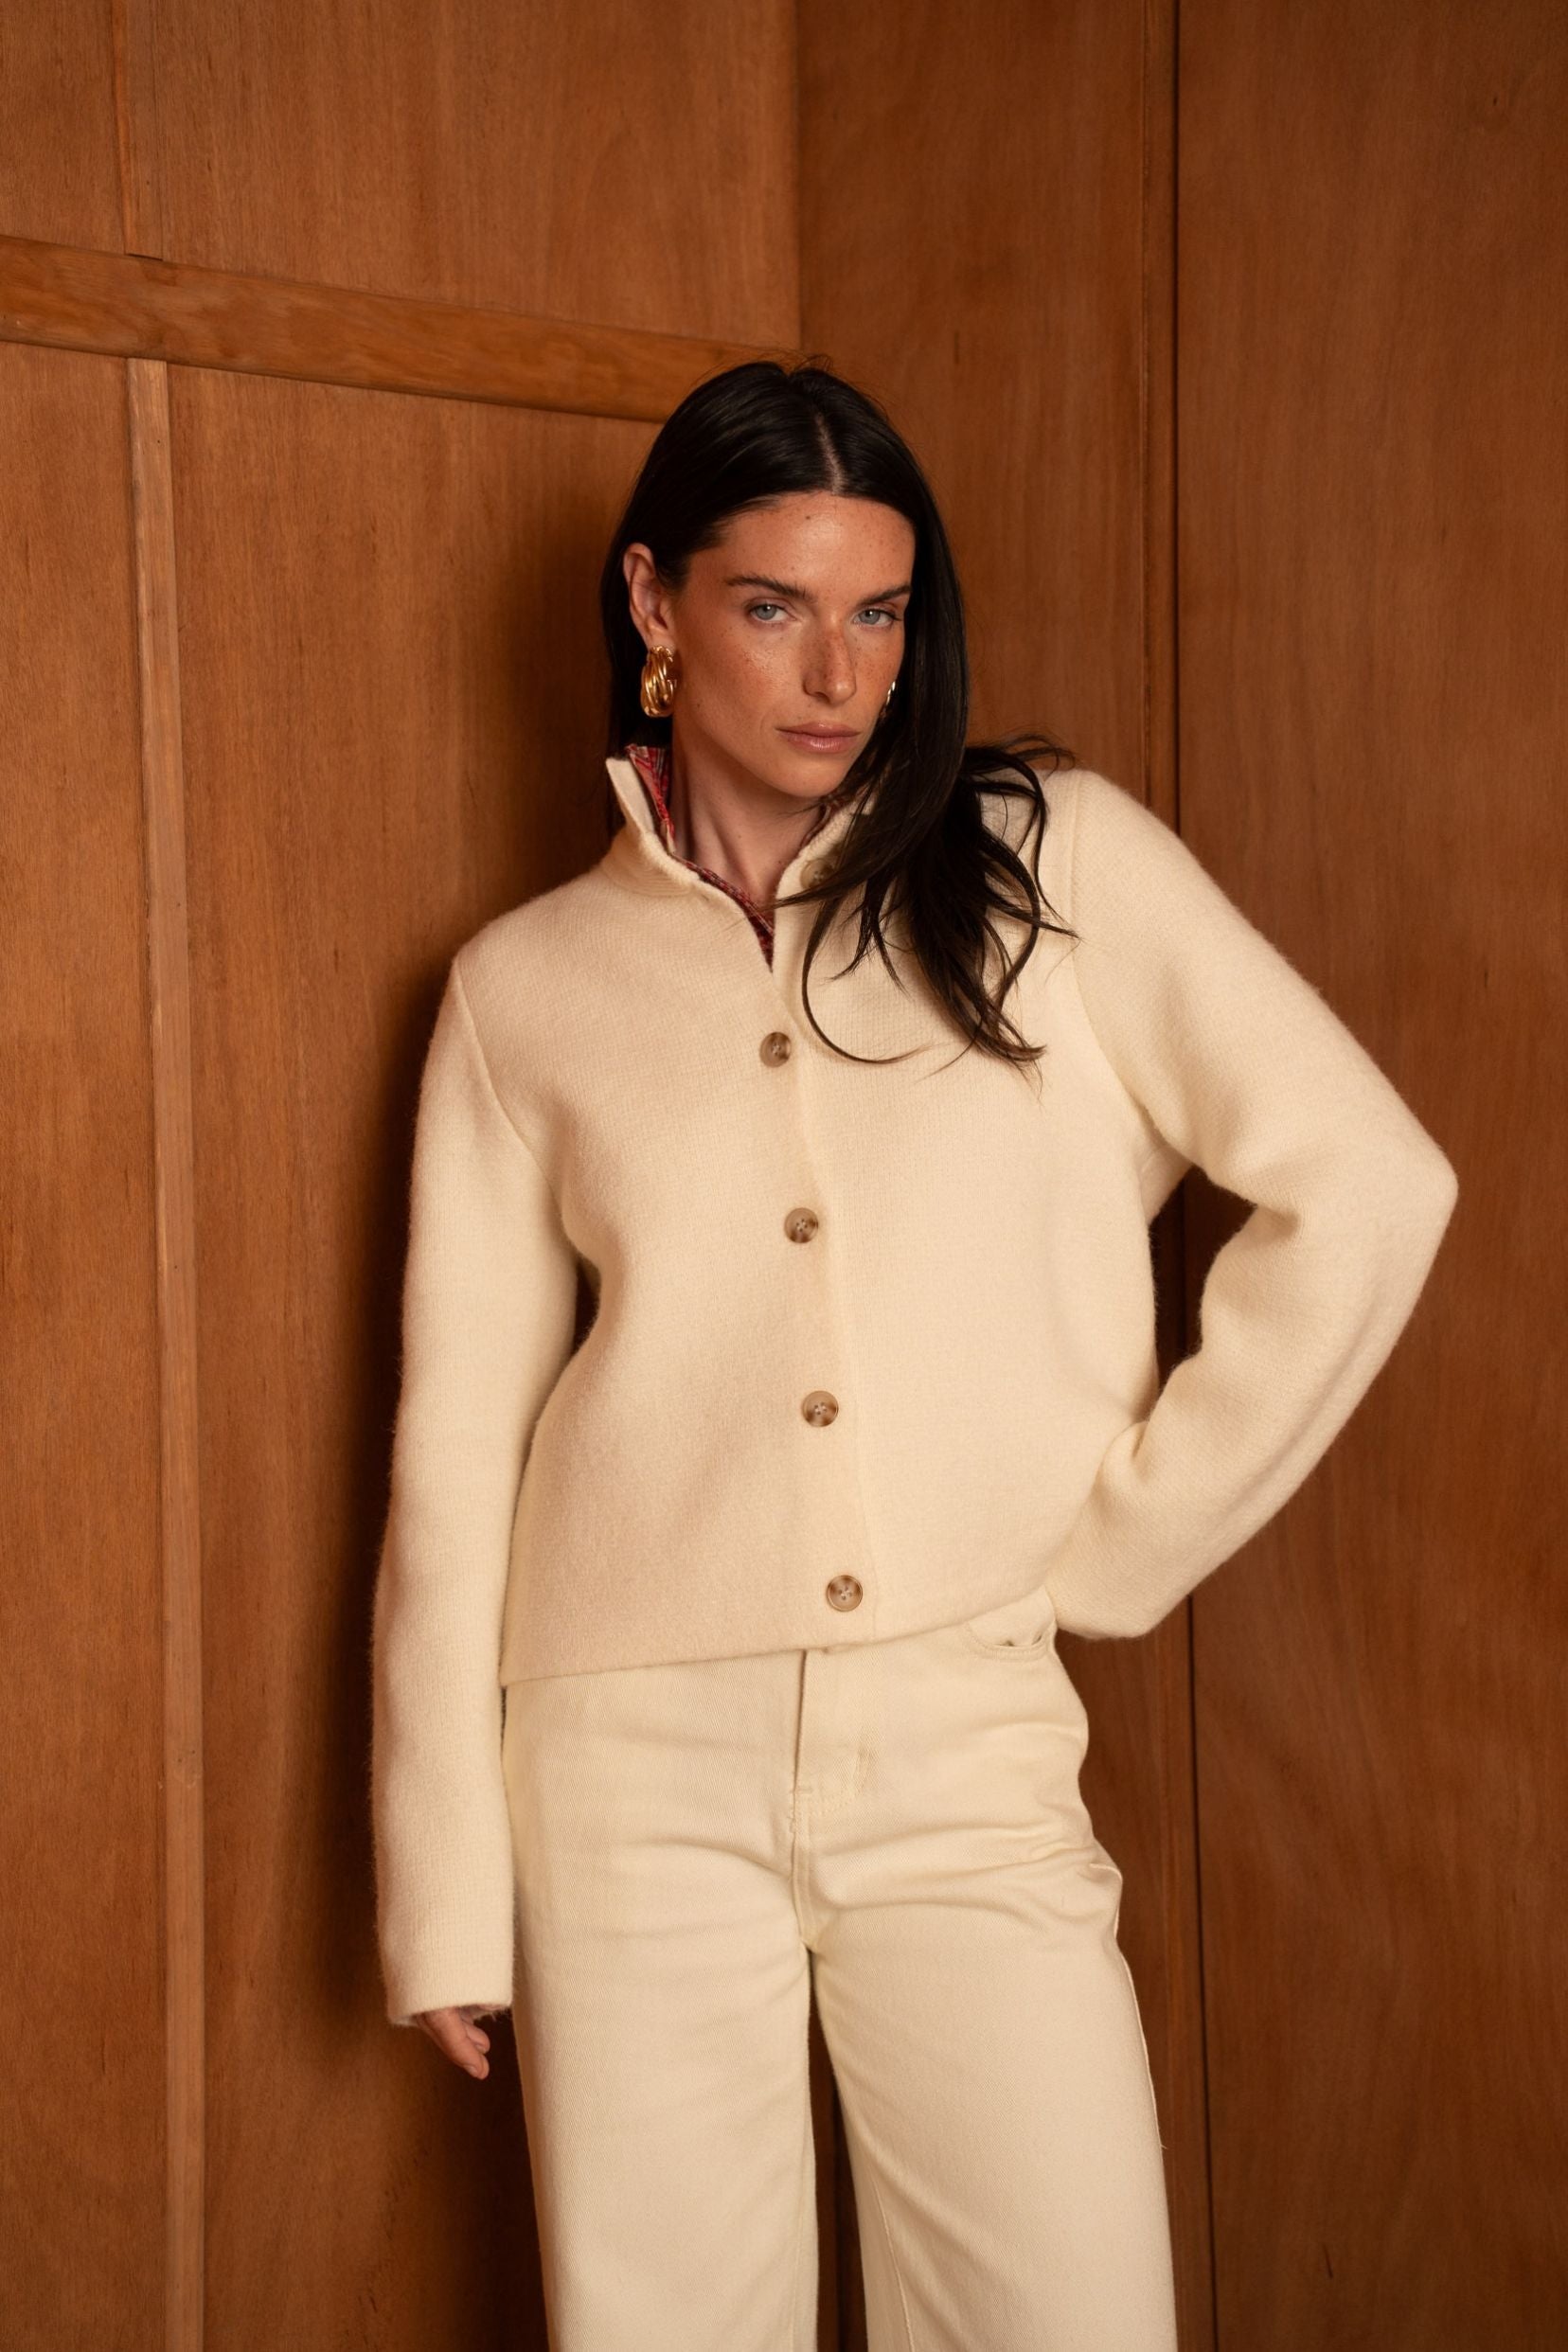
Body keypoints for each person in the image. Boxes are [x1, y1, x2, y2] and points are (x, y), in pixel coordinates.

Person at [369, 359, 1458, 2350]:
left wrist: (1126, 1541)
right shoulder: (524, 988)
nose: (838, 672)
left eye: (879, 611)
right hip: (619, 1761)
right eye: (773, 605)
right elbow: (456, 1451)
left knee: (1066, 2311)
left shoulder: (1053, 863)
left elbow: (1371, 1185)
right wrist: (442, 1881)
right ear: (653, 603)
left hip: (966, 1736)